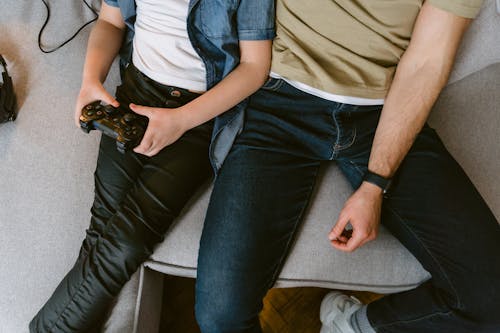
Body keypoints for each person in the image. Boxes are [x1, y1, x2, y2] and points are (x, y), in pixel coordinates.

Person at [193, 1, 500, 333]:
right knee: (220, 318)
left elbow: (427, 62)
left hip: (380, 112)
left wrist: (375, 183)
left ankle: (350, 327)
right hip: (277, 102)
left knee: (490, 297)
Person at [29, 0, 274, 331]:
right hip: (134, 94)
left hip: (199, 116)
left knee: (128, 241)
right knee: (102, 229)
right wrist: (90, 80)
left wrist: (181, 120)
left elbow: (255, 67)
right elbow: (111, 22)